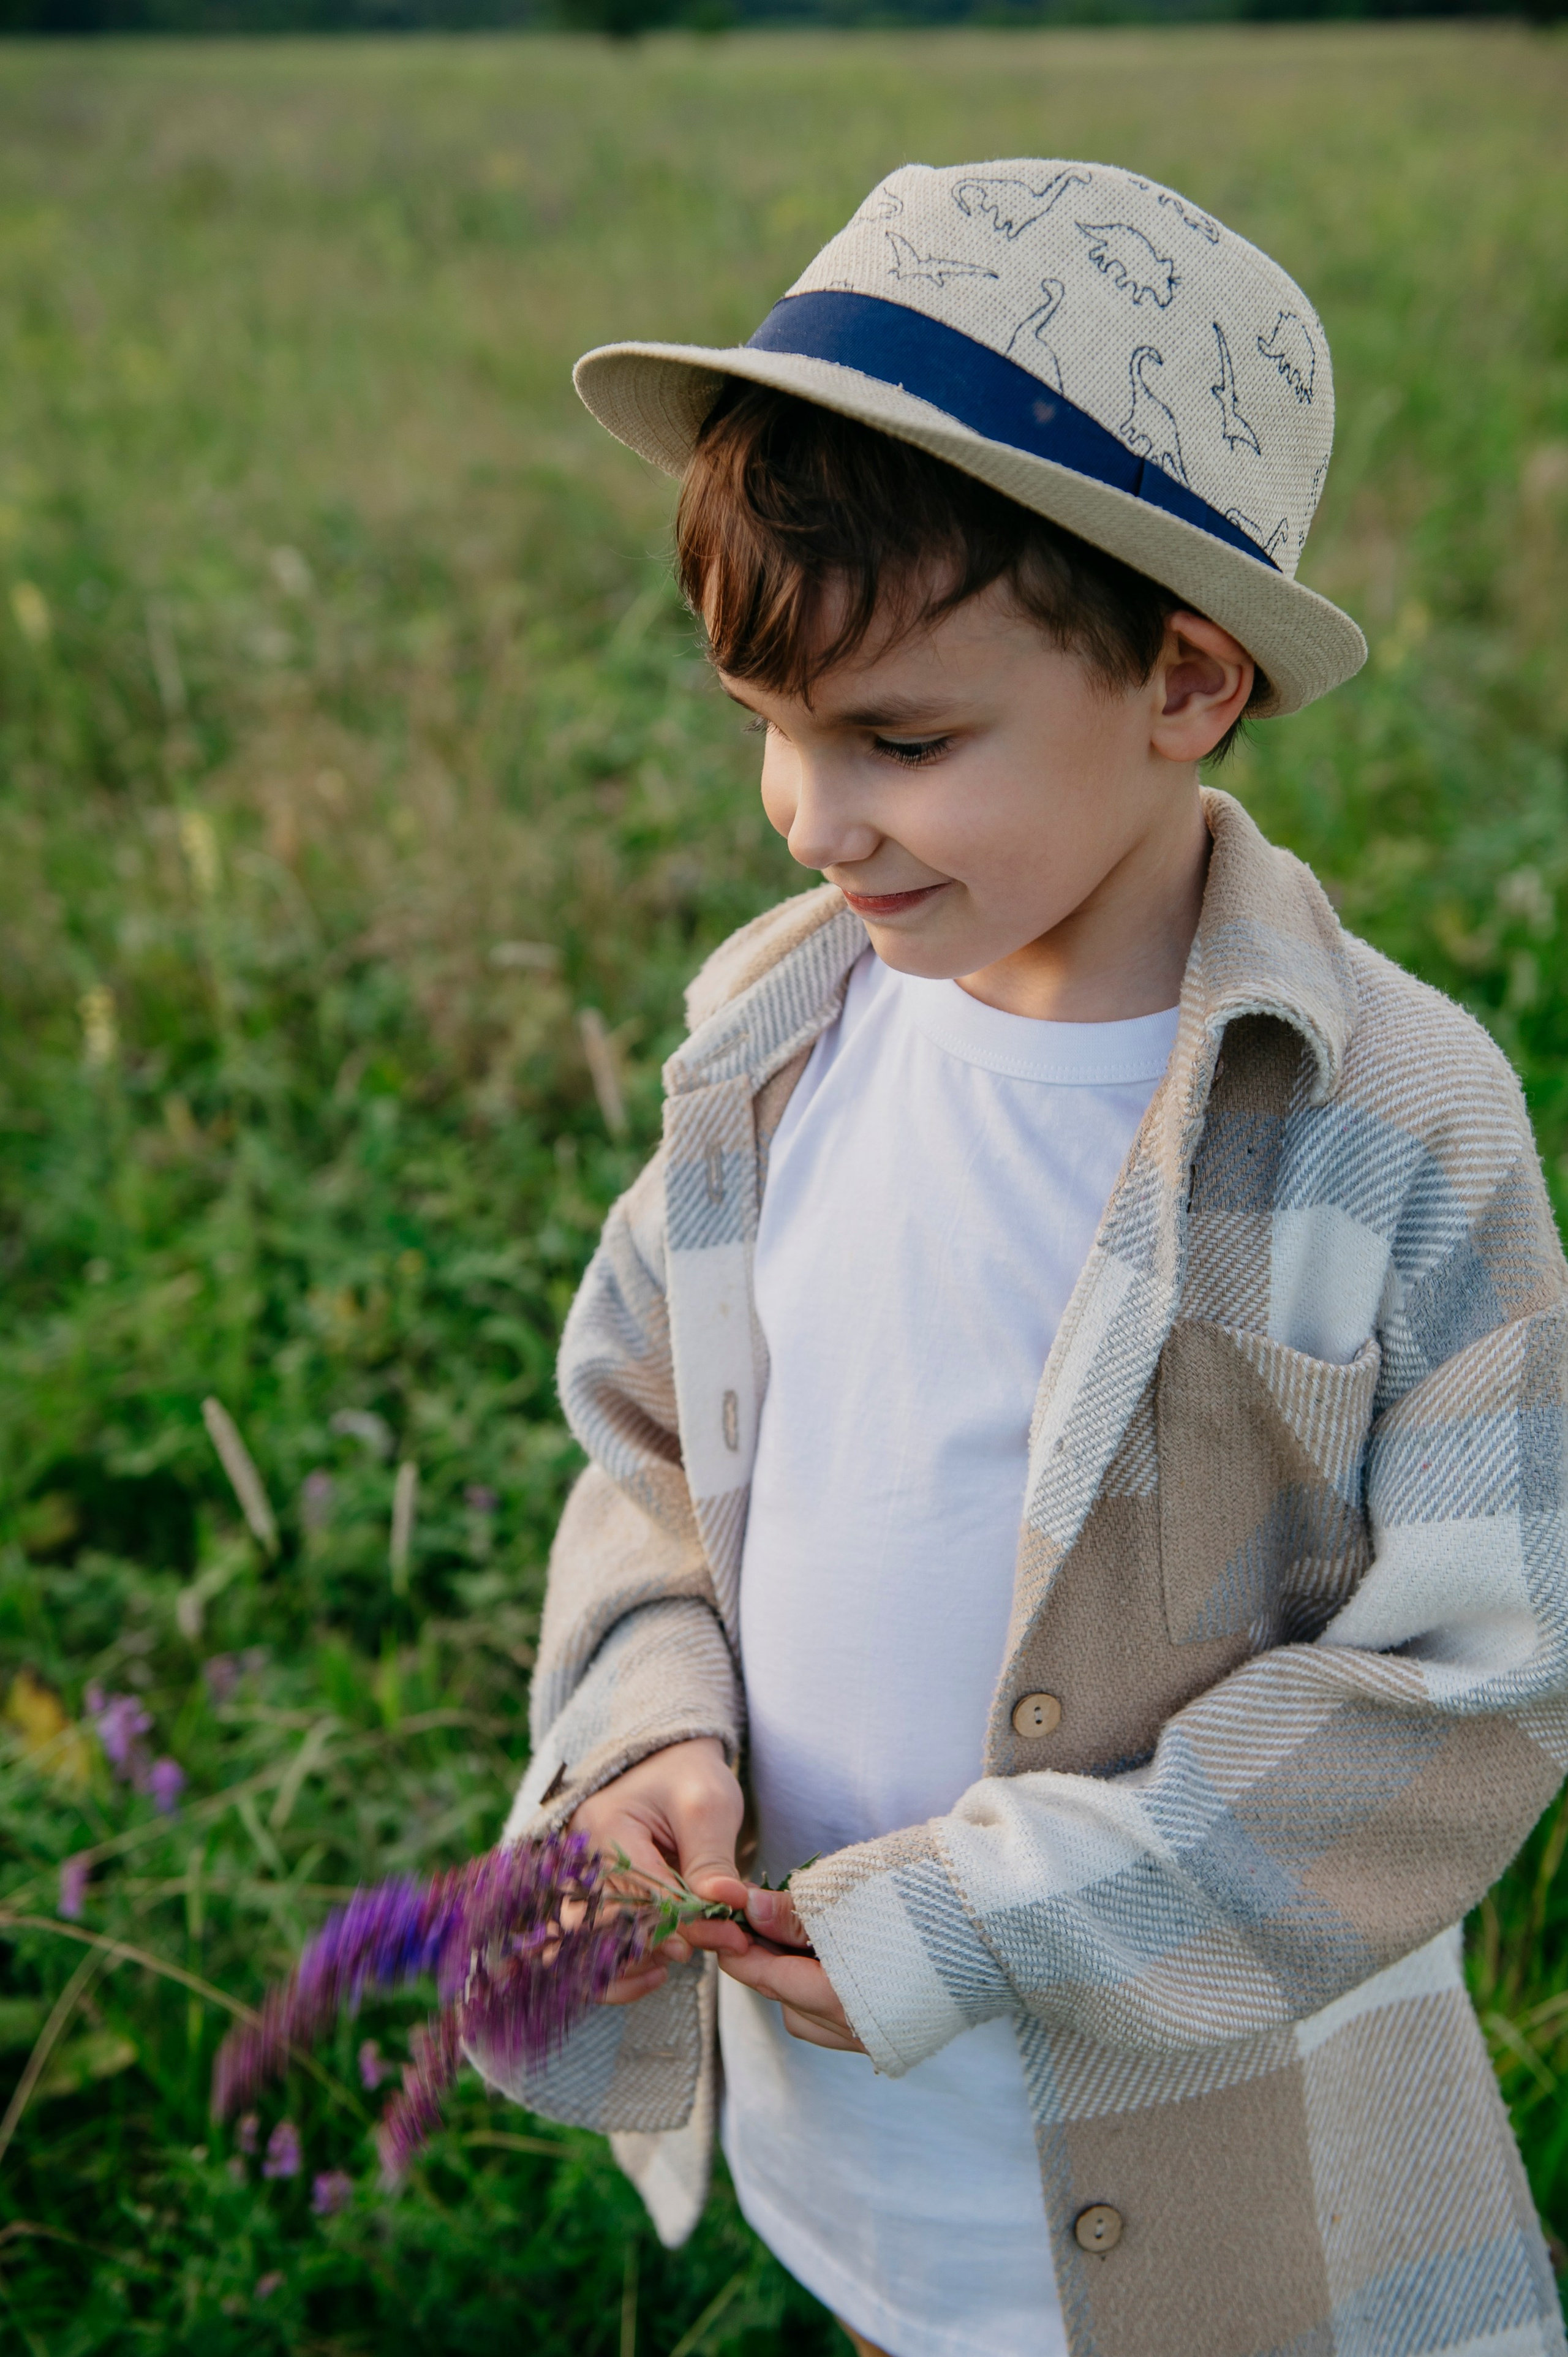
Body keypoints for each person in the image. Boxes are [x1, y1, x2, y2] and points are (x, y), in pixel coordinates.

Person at [476, 160, 1568, 2357]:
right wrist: (650, 1734)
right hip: (861, 2145)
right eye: (770, 723)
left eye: (901, 741)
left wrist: (982, 1926)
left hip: (1237, 2193)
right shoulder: (772, 1045)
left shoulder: (1392, 1128)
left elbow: (1471, 1683)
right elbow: (649, 1453)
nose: (810, 813)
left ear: (1185, 677)